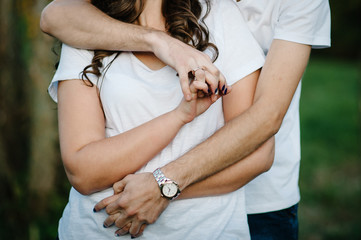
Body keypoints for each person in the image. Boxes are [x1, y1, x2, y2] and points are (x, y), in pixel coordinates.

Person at [41, 0, 331, 239]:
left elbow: (265, 122)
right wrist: (160, 43)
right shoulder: (90, 24)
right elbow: (53, 15)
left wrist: (162, 186)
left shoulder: (222, 15)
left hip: (246, 204)